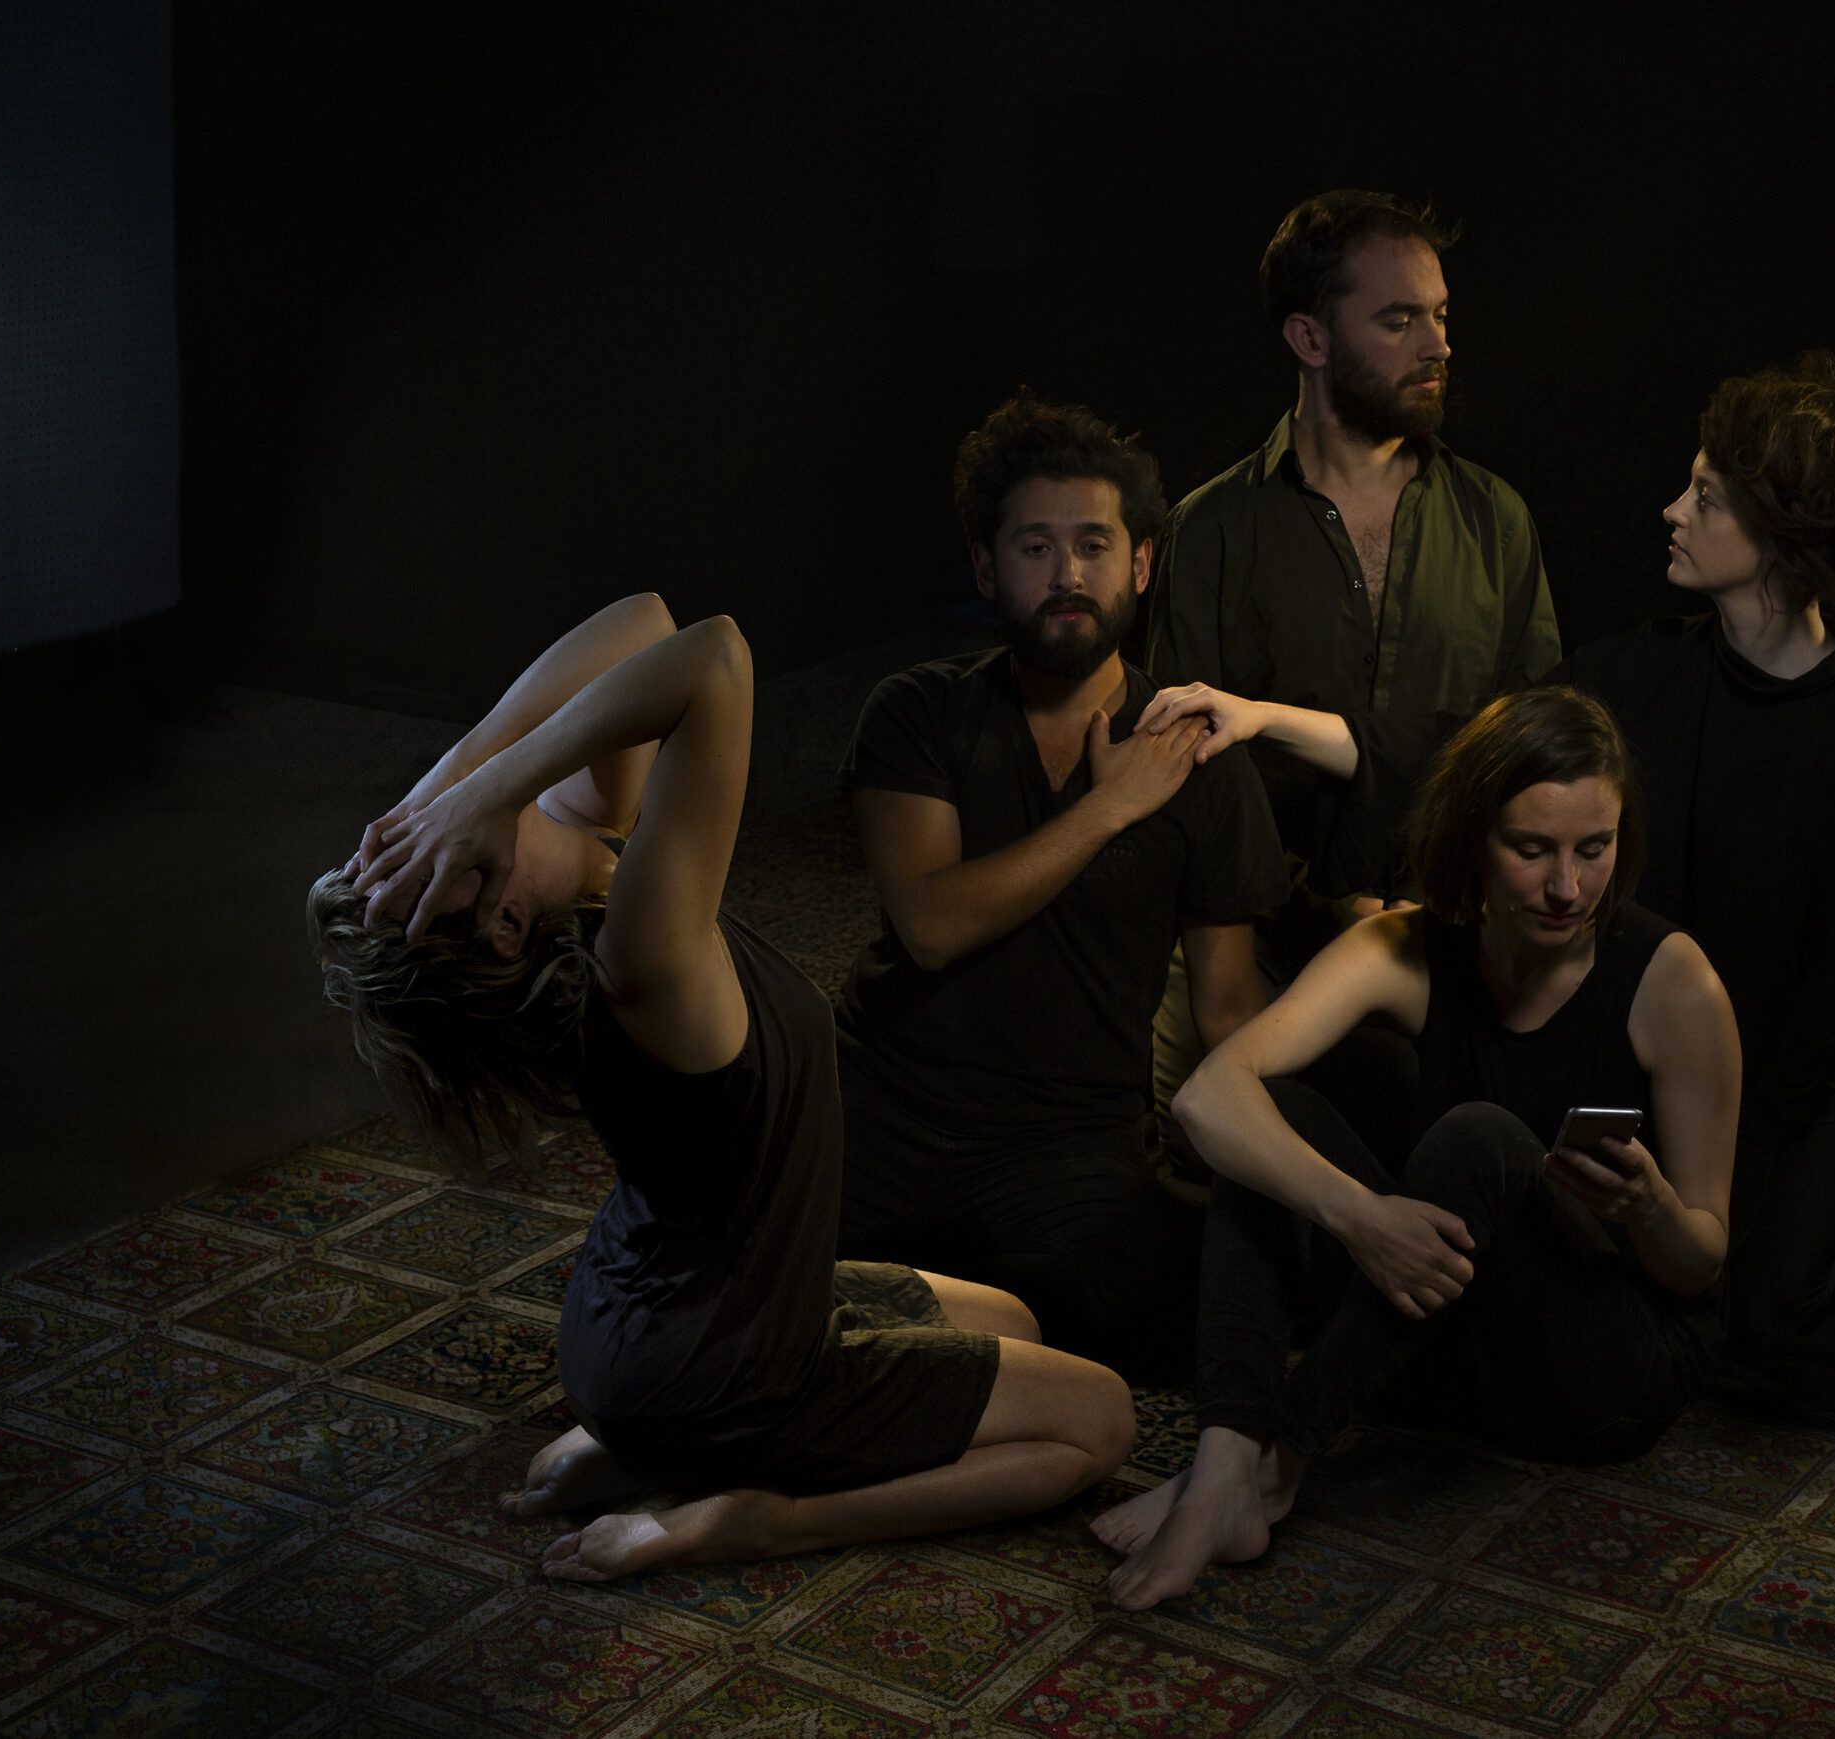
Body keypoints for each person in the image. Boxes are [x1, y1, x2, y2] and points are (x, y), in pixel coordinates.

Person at [310, 593, 1134, 1582]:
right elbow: (714, 659)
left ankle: (647, 1449)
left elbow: (646, 625)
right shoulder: (643, 953)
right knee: (1099, 1420)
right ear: (503, 919)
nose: (450, 818)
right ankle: (758, 1514)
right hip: (722, 1368)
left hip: (663, 1316)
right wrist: (487, 784)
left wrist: (456, 778)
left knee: (1014, 1319)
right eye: (441, 845)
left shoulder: (580, 870)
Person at [1093, 687, 1740, 1610]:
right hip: (1439, 1347)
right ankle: (1224, 1462)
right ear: (1473, 838)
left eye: (1593, 849)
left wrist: (1651, 1208)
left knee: (1479, 1139)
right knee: (1269, 1118)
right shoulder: (1409, 946)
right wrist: (1359, 1215)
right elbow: (1209, 1097)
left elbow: (1702, 1266)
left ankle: (1277, 1466)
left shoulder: (1674, 983)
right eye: (1532, 850)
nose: (1567, 887)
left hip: (1600, 1375)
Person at [1554, 351, 1835, 1419]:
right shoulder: (1651, 665)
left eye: (1705, 497)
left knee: (1752, 1319)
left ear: (1778, 537)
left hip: (1817, 1063)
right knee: (1627, 1268)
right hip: (1688, 1042)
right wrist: (1279, 722)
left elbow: (1831, 1003)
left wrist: (1735, 1175)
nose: (1672, 511)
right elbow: (1491, 738)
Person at [834, 393, 1286, 1379]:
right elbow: (932, 923)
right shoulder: (917, 710)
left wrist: (1309, 1161)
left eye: (1093, 544)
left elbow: (1225, 1004)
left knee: (1190, 1318)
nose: (1067, 574)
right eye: (1035, 547)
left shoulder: (1201, 758)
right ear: (987, 568)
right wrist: (1110, 805)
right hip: (888, 1115)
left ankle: (960, 1317)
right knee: (745, 1289)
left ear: (1141, 563)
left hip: (1069, 1145)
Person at [1140, 190, 1561, 1131]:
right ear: (1310, 337)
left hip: (1457, 950)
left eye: (1441, 315)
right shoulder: (1212, 530)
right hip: (1256, 955)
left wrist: (1435, 906)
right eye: (1399, 320)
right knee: (1204, 1172)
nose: (1438, 344)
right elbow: (1188, 773)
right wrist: (1319, 905)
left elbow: (1533, 750)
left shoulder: (1495, 520)